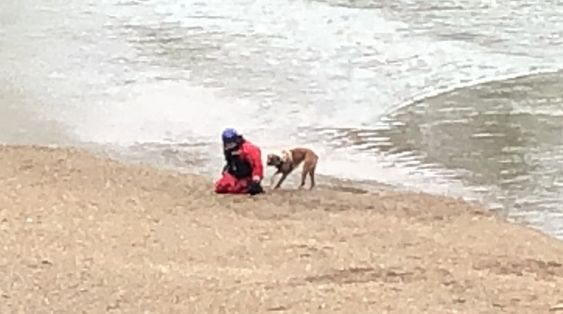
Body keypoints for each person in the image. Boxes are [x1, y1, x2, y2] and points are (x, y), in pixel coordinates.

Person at [214, 128, 264, 195]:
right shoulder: (227, 149)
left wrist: (256, 177)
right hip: (235, 173)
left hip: (248, 176)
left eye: (231, 144)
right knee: (220, 187)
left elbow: (257, 164)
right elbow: (229, 161)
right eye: (227, 144)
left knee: (237, 188)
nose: (229, 146)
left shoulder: (249, 149)